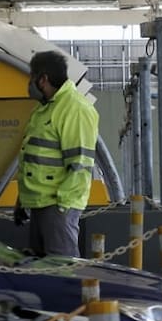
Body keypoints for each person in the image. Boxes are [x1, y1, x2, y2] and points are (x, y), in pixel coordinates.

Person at [13, 50, 100, 257]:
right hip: (40, 203)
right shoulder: (44, 109)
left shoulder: (75, 109)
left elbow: (80, 164)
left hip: (57, 205)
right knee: (42, 268)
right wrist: (23, 199)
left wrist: (62, 207)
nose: (29, 84)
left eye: (31, 78)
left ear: (43, 79)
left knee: (62, 268)